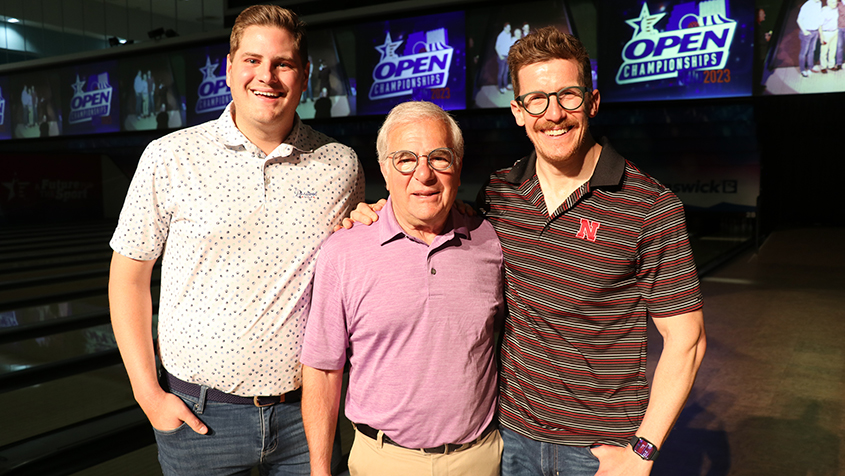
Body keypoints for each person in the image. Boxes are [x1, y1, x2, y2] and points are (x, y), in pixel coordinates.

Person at [348, 27, 706, 476]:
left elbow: (686, 340)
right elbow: (428, 216)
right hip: (508, 440)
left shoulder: (649, 205)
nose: (553, 114)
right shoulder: (499, 194)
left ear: (592, 102)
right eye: (537, 99)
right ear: (518, 111)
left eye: (568, 96)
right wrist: (378, 212)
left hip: (599, 452)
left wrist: (642, 453)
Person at [108, 5, 364, 476]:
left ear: (304, 75)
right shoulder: (170, 157)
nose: (266, 76)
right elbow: (128, 279)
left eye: (283, 63)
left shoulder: (339, 165)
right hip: (200, 418)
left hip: (306, 418)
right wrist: (149, 396)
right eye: (252, 60)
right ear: (229, 68)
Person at [301, 101, 505, 476]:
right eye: (405, 159)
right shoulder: (344, 251)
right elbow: (322, 369)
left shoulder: (490, 240)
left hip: (478, 458)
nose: (423, 174)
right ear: (384, 168)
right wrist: (319, 469)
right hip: (382, 459)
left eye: (439, 157)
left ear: (457, 167)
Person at [797, 0, 823, 77]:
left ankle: (810, 66)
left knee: (812, 50)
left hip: (815, 31)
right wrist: (804, 31)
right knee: (804, 52)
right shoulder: (807, 5)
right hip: (807, 32)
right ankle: (802, 70)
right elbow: (799, 19)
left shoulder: (819, 3)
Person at [820, 0, 839, 72]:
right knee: (824, 51)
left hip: (835, 32)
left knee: (833, 50)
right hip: (826, 33)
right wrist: (821, 36)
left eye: (836, 2)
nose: (835, 4)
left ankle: (831, 65)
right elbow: (820, 25)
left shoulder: (836, 10)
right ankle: (823, 67)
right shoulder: (824, 11)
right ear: (828, 3)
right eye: (833, 2)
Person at [496, 23, 513, 94]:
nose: (509, 29)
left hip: (507, 56)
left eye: (510, 28)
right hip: (502, 56)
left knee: (506, 72)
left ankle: (505, 85)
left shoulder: (509, 35)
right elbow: (497, 46)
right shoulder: (501, 35)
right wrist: (500, 55)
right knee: (501, 73)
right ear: (504, 28)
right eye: (508, 28)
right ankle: (500, 87)